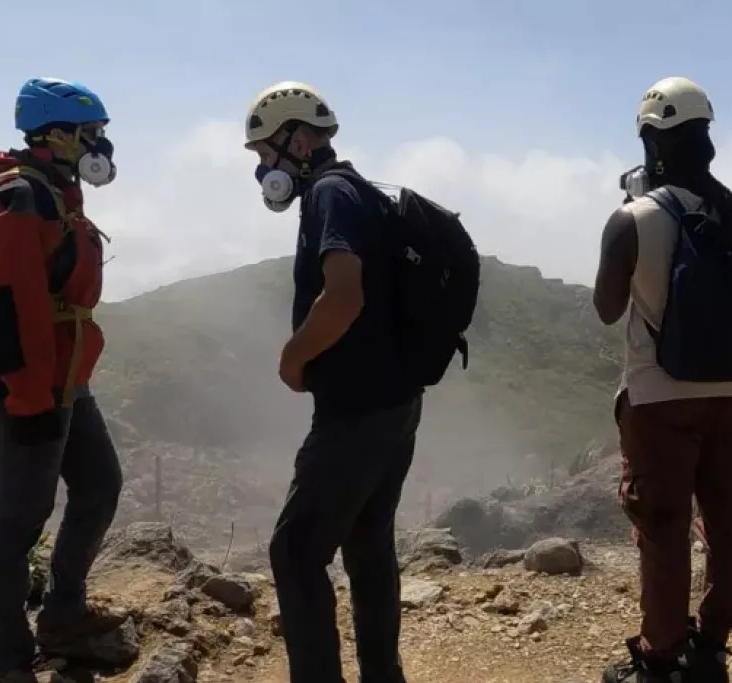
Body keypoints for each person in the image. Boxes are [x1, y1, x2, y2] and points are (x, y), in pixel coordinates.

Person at [594, 76, 732, 683]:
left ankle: (661, 655)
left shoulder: (634, 218)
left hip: (661, 394)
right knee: (727, 516)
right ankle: (713, 645)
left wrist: (629, 218)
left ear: (650, 141)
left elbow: (607, 307)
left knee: (664, 525)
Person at [243, 81, 424, 683]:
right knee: (368, 542)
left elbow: (343, 296)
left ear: (297, 138)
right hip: (396, 401)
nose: (264, 167)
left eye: (265, 152)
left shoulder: (328, 194)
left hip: (356, 409)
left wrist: (292, 359)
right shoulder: (362, 192)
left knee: (293, 554)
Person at [0, 77, 125, 683]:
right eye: (94, 134)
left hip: (63, 377)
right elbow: (5, 302)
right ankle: (8, 662)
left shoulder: (57, 192)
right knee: (17, 521)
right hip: (24, 385)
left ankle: (63, 613)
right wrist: (30, 397)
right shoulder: (20, 196)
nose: (103, 146)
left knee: (99, 485)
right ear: (58, 135)